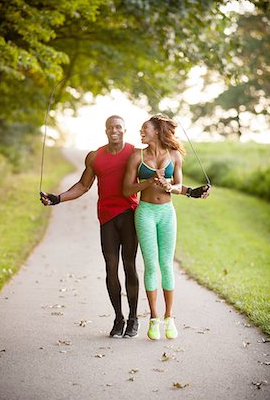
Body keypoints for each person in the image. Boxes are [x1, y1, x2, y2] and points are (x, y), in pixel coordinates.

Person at [41, 115, 210, 340]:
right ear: (105, 130)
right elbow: (83, 185)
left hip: (130, 214)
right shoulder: (100, 157)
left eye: (119, 127)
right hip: (108, 217)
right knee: (112, 266)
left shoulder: (135, 152)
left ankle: (134, 319)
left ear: (124, 129)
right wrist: (57, 198)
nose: (115, 131)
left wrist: (192, 191)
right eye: (110, 127)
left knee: (130, 265)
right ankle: (119, 318)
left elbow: (171, 181)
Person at [123, 114, 193, 340]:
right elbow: (126, 190)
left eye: (145, 128)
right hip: (145, 212)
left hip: (167, 214)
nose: (141, 132)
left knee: (166, 264)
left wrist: (169, 186)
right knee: (151, 265)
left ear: (157, 131)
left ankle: (169, 317)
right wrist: (150, 182)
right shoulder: (137, 156)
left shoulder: (174, 156)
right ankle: (154, 318)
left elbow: (179, 184)